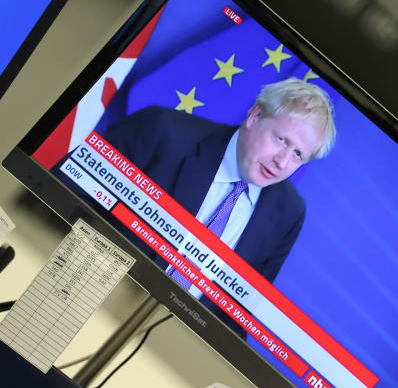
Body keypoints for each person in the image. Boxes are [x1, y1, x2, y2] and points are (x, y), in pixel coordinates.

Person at [100, 78, 336, 325]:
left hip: (172, 339)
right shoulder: (162, 131)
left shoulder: (289, 214)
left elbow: (236, 316)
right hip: (99, 287)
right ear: (255, 117)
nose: (282, 161)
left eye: (298, 154)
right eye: (281, 140)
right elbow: (74, 191)